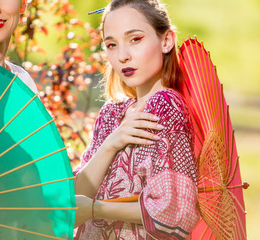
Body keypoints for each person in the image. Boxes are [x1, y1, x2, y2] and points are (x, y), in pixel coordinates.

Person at [73, 0, 200, 239]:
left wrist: (94, 209)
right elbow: (76, 195)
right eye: (111, 45)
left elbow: (174, 210)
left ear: (166, 41)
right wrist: (112, 142)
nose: (122, 56)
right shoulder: (112, 113)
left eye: (135, 39)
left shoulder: (166, 106)